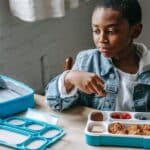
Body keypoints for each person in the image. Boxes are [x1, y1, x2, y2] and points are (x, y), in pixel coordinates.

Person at [45, 0, 150, 112]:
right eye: (96, 31)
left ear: (135, 31)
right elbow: (54, 103)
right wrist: (69, 78)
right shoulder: (87, 62)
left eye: (111, 31)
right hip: (97, 129)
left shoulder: (147, 68)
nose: (101, 39)